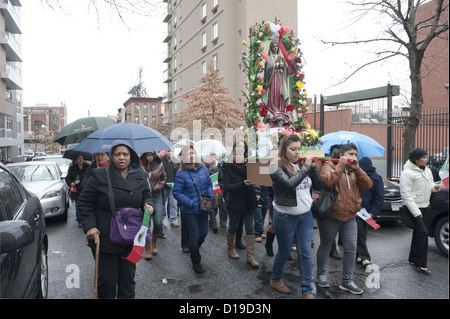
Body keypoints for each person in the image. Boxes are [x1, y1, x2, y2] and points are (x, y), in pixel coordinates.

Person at [78, 140, 154, 298]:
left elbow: (147, 195)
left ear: (130, 156)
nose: (121, 157)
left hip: (131, 235)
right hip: (106, 235)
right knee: (107, 281)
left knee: (128, 281)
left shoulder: (140, 174)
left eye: (125, 154)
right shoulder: (100, 175)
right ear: (111, 157)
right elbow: (84, 202)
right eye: (117, 154)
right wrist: (90, 226)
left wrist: (148, 205)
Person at [269, 134, 324, 298]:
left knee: (305, 253)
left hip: (305, 216)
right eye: (293, 149)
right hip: (285, 216)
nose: (297, 152)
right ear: (284, 150)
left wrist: (313, 169)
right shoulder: (275, 166)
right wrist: (306, 167)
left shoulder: (302, 165)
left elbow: (320, 186)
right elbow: (289, 185)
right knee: (285, 251)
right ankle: (275, 279)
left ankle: (306, 290)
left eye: (299, 149)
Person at [316, 143, 372, 295]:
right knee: (326, 245)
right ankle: (320, 275)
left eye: (355, 154)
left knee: (351, 249)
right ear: (341, 156)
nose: (354, 157)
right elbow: (326, 182)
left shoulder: (354, 171)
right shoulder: (329, 165)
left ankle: (347, 281)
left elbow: (368, 185)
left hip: (350, 217)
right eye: (350, 154)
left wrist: (358, 169)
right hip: (331, 216)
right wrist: (340, 166)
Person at [400, 148, 442, 275]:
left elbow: (429, 185)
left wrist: (435, 187)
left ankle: (413, 258)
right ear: (416, 159)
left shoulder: (426, 170)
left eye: (426, 157)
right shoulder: (406, 173)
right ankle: (421, 264)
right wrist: (416, 212)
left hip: (425, 205)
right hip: (413, 208)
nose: (426, 159)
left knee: (419, 233)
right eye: (423, 157)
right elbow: (406, 196)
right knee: (423, 234)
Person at [219, 141, 260, 268]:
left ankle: (250, 256)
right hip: (235, 202)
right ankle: (230, 249)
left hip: (249, 201)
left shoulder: (249, 165)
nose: (239, 156)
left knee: (250, 228)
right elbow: (227, 186)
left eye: (242, 153)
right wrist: (243, 183)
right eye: (237, 154)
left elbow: (257, 179)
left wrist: (256, 191)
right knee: (233, 226)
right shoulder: (226, 167)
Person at [173, 145, 214, 273]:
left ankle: (194, 247)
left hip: (203, 207)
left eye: (193, 153)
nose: (191, 156)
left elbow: (209, 185)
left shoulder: (203, 169)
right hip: (190, 210)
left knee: (204, 233)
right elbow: (177, 192)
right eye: (188, 154)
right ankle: (196, 260)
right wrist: (190, 202)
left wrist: (210, 198)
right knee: (195, 233)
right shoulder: (181, 172)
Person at [357, 157, 384, 268]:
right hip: (356, 209)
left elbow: (380, 197)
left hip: (366, 211)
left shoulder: (376, 179)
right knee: (358, 234)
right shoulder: (356, 176)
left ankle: (364, 257)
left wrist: (373, 212)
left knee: (361, 234)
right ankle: (360, 255)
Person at [140, 151, 167, 260]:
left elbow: (164, 178)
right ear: (144, 156)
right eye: (147, 155)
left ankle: (154, 241)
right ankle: (147, 247)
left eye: (151, 155)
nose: (149, 157)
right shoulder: (140, 166)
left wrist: (157, 187)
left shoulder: (160, 165)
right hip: (145, 198)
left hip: (157, 197)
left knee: (157, 222)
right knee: (146, 223)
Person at [262, 41, 290, 124]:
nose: (275, 48)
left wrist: (282, 66)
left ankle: (281, 110)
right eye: (274, 47)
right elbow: (267, 72)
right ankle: (273, 110)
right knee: (274, 94)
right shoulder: (269, 59)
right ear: (271, 48)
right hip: (273, 79)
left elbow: (286, 71)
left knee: (281, 93)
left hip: (280, 79)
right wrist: (274, 65)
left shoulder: (281, 58)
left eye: (277, 47)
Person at [65, 154, 89, 227]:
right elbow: (68, 178)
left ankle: (86, 218)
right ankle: (79, 219)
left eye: (82, 158)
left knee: (86, 205)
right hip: (77, 190)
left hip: (86, 189)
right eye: (79, 158)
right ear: (76, 160)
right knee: (78, 205)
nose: (81, 160)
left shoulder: (87, 167)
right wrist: (71, 183)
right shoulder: (72, 168)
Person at [161, 150, 180, 228]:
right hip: (163, 185)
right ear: (165, 152)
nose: (170, 153)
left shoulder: (176, 161)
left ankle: (173, 220)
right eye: (168, 151)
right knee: (162, 203)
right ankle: (162, 218)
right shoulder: (161, 160)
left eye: (171, 151)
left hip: (173, 186)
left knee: (173, 204)